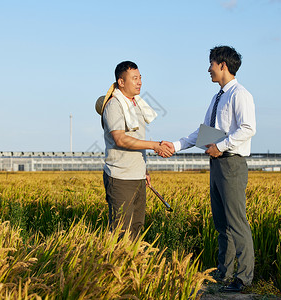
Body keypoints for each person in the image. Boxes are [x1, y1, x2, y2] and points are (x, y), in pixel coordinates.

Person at [163, 46, 256, 292]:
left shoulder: (240, 94)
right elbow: (202, 133)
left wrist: (221, 146)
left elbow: (248, 128)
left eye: (211, 64)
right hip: (216, 163)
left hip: (231, 163)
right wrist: (174, 146)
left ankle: (244, 278)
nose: (209, 69)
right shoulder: (218, 97)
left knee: (236, 221)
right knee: (221, 223)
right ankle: (223, 275)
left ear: (222, 65)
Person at [95, 60, 173, 240]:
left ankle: (134, 266)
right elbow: (120, 139)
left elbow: (137, 140)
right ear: (121, 82)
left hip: (137, 176)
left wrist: (143, 170)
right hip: (121, 178)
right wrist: (154, 145)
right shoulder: (114, 105)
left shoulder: (136, 104)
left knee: (137, 228)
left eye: (140, 78)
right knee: (122, 232)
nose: (139, 82)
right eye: (135, 78)